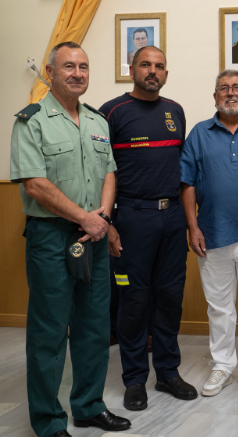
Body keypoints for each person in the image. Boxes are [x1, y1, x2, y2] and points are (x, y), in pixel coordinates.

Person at [11, 41, 131, 437]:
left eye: (83, 66)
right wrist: (86, 218)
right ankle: (47, 422)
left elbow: (109, 173)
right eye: (68, 66)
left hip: (94, 234)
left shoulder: (98, 121)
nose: (77, 73)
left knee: (94, 327)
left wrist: (103, 218)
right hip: (51, 237)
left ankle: (89, 406)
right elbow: (35, 184)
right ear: (50, 72)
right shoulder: (32, 121)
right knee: (49, 331)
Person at [100, 46, 197, 411]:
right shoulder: (111, 112)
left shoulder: (175, 111)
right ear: (131, 70)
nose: (152, 71)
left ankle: (168, 372)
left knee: (170, 296)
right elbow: (101, 172)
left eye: (159, 66)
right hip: (132, 219)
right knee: (134, 299)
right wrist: (108, 222)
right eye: (145, 65)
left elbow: (183, 170)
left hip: (171, 217)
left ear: (166, 74)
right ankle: (135, 379)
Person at [180, 70, 238, 398]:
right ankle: (222, 364)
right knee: (219, 306)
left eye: (237, 88)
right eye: (223, 89)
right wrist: (193, 227)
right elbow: (187, 182)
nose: (230, 93)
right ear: (215, 96)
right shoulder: (199, 134)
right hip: (212, 233)